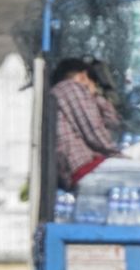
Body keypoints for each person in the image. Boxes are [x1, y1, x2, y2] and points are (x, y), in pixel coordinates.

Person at [50, 57, 123, 190]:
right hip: (83, 165)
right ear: (84, 76)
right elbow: (93, 130)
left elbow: (113, 123)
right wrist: (118, 155)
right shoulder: (69, 87)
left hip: (81, 168)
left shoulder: (62, 94)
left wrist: (95, 96)